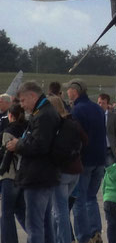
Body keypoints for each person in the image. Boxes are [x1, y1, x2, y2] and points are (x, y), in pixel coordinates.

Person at [5, 81, 60, 243]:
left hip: (38, 176)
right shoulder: (43, 112)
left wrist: (18, 144)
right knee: (45, 224)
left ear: (32, 96)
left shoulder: (43, 115)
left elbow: (39, 145)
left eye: (23, 101)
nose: (21, 105)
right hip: (44, 174)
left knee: (35, 226)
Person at [65, 78, 107, 243]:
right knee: (91, 198)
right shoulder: (97, 108)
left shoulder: (77, 110)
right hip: (100, 158)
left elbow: (77, 137)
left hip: (85, 160)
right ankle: (96, 232)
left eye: (68, 90)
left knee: (79, 201)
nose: (67, 93)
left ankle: (83, 237)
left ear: (74, 91)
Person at [48, 94, 86, 243]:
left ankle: (63, 240)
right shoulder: (73, 123)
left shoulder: (55, 124)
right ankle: (54, 238)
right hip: (75, 170)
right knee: (57, 210)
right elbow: (85, 140)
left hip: (61, 172)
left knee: (60, 211)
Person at [1, 103, 27, 243]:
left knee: (6, 213)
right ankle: (40, 236)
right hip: (23, 176)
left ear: (10, 116)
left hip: (10, 175)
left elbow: (6, 156)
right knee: (20, 210)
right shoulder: (26, 129)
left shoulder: (8, 131)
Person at [97, 93, 116, 167]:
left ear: (107, 104)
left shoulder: (114, 116)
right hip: (97, 149)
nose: (101, 105)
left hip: (109, 149)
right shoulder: (94, 116)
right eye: (99, 103)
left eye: (103, 103)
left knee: (110, 171)